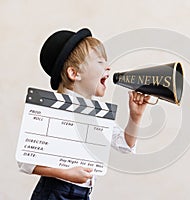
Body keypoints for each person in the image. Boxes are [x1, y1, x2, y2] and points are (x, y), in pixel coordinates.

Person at [18, 28, 150, 200]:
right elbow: (25, 162)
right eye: (100, 62)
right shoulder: (50, 107)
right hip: (54, 193)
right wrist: (65, 173)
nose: (108, 67)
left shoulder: (97, 113)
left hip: (83, 195)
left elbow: (125, 145)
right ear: (74, 73)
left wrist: (135, 117)